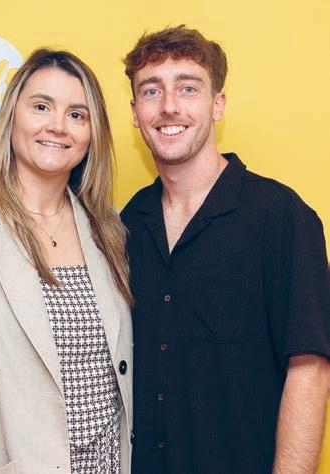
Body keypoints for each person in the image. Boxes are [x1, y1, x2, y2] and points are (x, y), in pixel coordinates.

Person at [121, 25, 330, 474]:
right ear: (136, 112)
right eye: (151, 90)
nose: (169, 106)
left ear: (218, 104)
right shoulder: (128, 223)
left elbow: (309, 370)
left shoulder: (282, 218)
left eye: (188, 88)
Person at [0, 49, 133, 474]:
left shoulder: (108, 227)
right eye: (41, 107)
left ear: (92, 133)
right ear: (12, 117)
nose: (58, 125)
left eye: (77, 114)